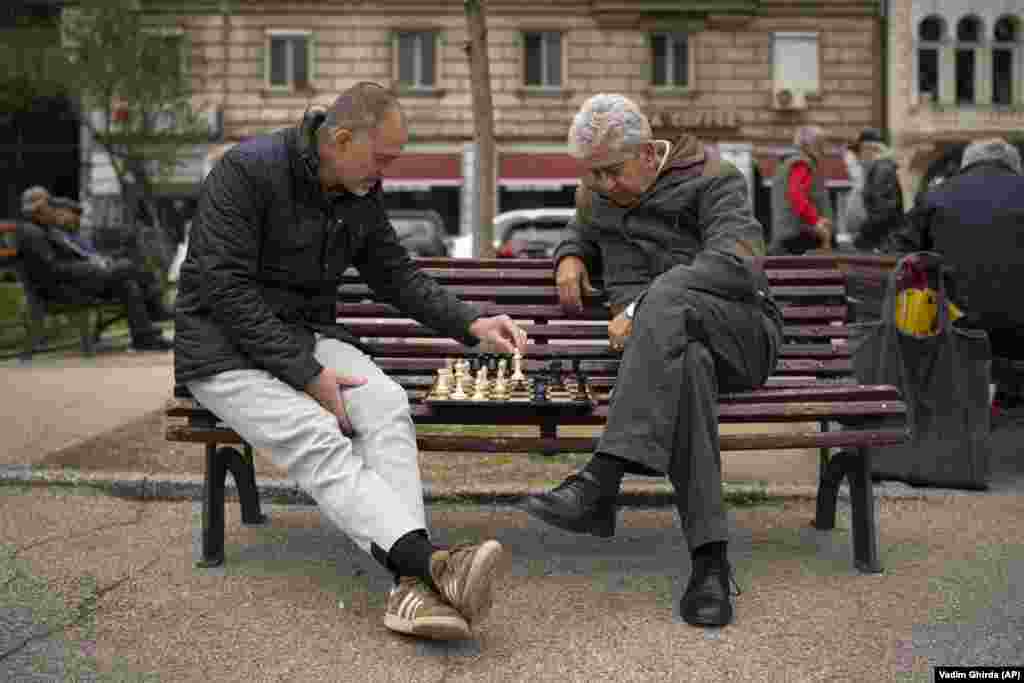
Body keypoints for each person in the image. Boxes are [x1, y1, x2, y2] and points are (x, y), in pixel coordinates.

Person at [174, 82, 528, 642]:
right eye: (382, 157)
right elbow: (226, 290)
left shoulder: (358, 190)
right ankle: (432, 565)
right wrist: (309, 375)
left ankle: (410, 591)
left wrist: (471, 322)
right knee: (318, 436)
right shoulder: (245, 171)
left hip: (303, 336)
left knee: (386, 402)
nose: (387, 171)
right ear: (340, 139)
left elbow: (395, 275)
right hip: (221, 348)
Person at [523, 94, 783, 628]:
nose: (601, 186)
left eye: (611, 172)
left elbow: (739, 263)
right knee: (688, 367)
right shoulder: (599, 192)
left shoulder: (715, 178)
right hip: (671, 357)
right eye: (591, 175)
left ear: (647, 153)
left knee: (667, 299)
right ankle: (710, 566)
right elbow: (583, 226)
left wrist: (642, 308)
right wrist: (569, 254)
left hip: (739, 334)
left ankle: (603, 477)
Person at [886, 138, 1024, 361]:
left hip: (954, 330)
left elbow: (898, 253)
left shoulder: (935, 196)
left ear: (966, 164)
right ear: (1015, 166)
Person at [17, 186, 173, 351]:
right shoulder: (32, 233)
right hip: (65, 289)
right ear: (38, 210)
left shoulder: (46, 229)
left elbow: (68, 256)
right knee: (126, 267)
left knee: (127, 284)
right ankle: (155, 308)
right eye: (49, 206)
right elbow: (51, 270)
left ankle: (143, 337)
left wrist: (94, 264)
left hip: (79, 282)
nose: (53, 210)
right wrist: (90, 267)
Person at [768, 125, 833, 255]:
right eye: (820, 145)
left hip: (787, 235)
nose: (824, 151)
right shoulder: (802, 164)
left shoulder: (786, 164)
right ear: (807, 145)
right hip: (800, 236)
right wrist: (816, 221)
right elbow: (796, 195)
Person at [843, 128, 905, 252]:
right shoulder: (877, 169)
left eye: (858, 151)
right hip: (878, 243)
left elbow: (883, 212)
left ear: (869, 149)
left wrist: (861, 236)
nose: (858, 157)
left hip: (880, 245)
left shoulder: (881, 170)